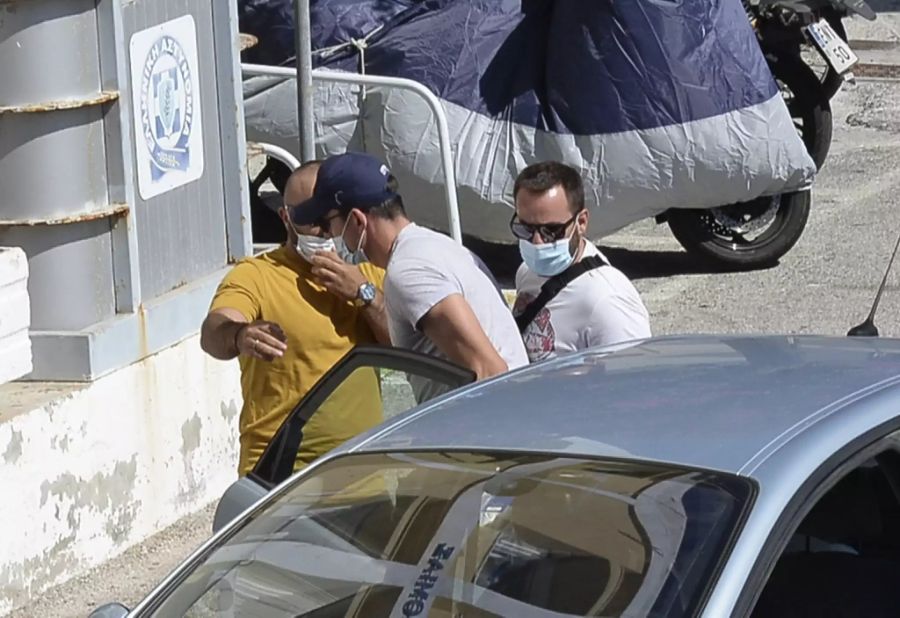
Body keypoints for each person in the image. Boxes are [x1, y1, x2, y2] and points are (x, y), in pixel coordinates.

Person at [200, 160, 390, 476]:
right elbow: (212, 332)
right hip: (282, 480)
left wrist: (364, 294)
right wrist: (239, 335)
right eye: (312, 220)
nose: (326, 231)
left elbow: (401, 345)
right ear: (286, 218)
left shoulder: (369, 274)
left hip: (363, 476)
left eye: (330, 217)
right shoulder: (257, 276)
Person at [291, 152, 528, 400]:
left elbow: (489, 370)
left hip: (486, 428)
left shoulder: (409, 272)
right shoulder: (435, 247)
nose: (328, 235)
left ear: (357, 221)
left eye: (328, 225)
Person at [510, 161, 651, 362]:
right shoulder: (526, 271)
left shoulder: (607, 300)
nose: (537, 242)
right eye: (525, 229)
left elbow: (632, 380)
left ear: (581, 222)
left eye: (551, 231)